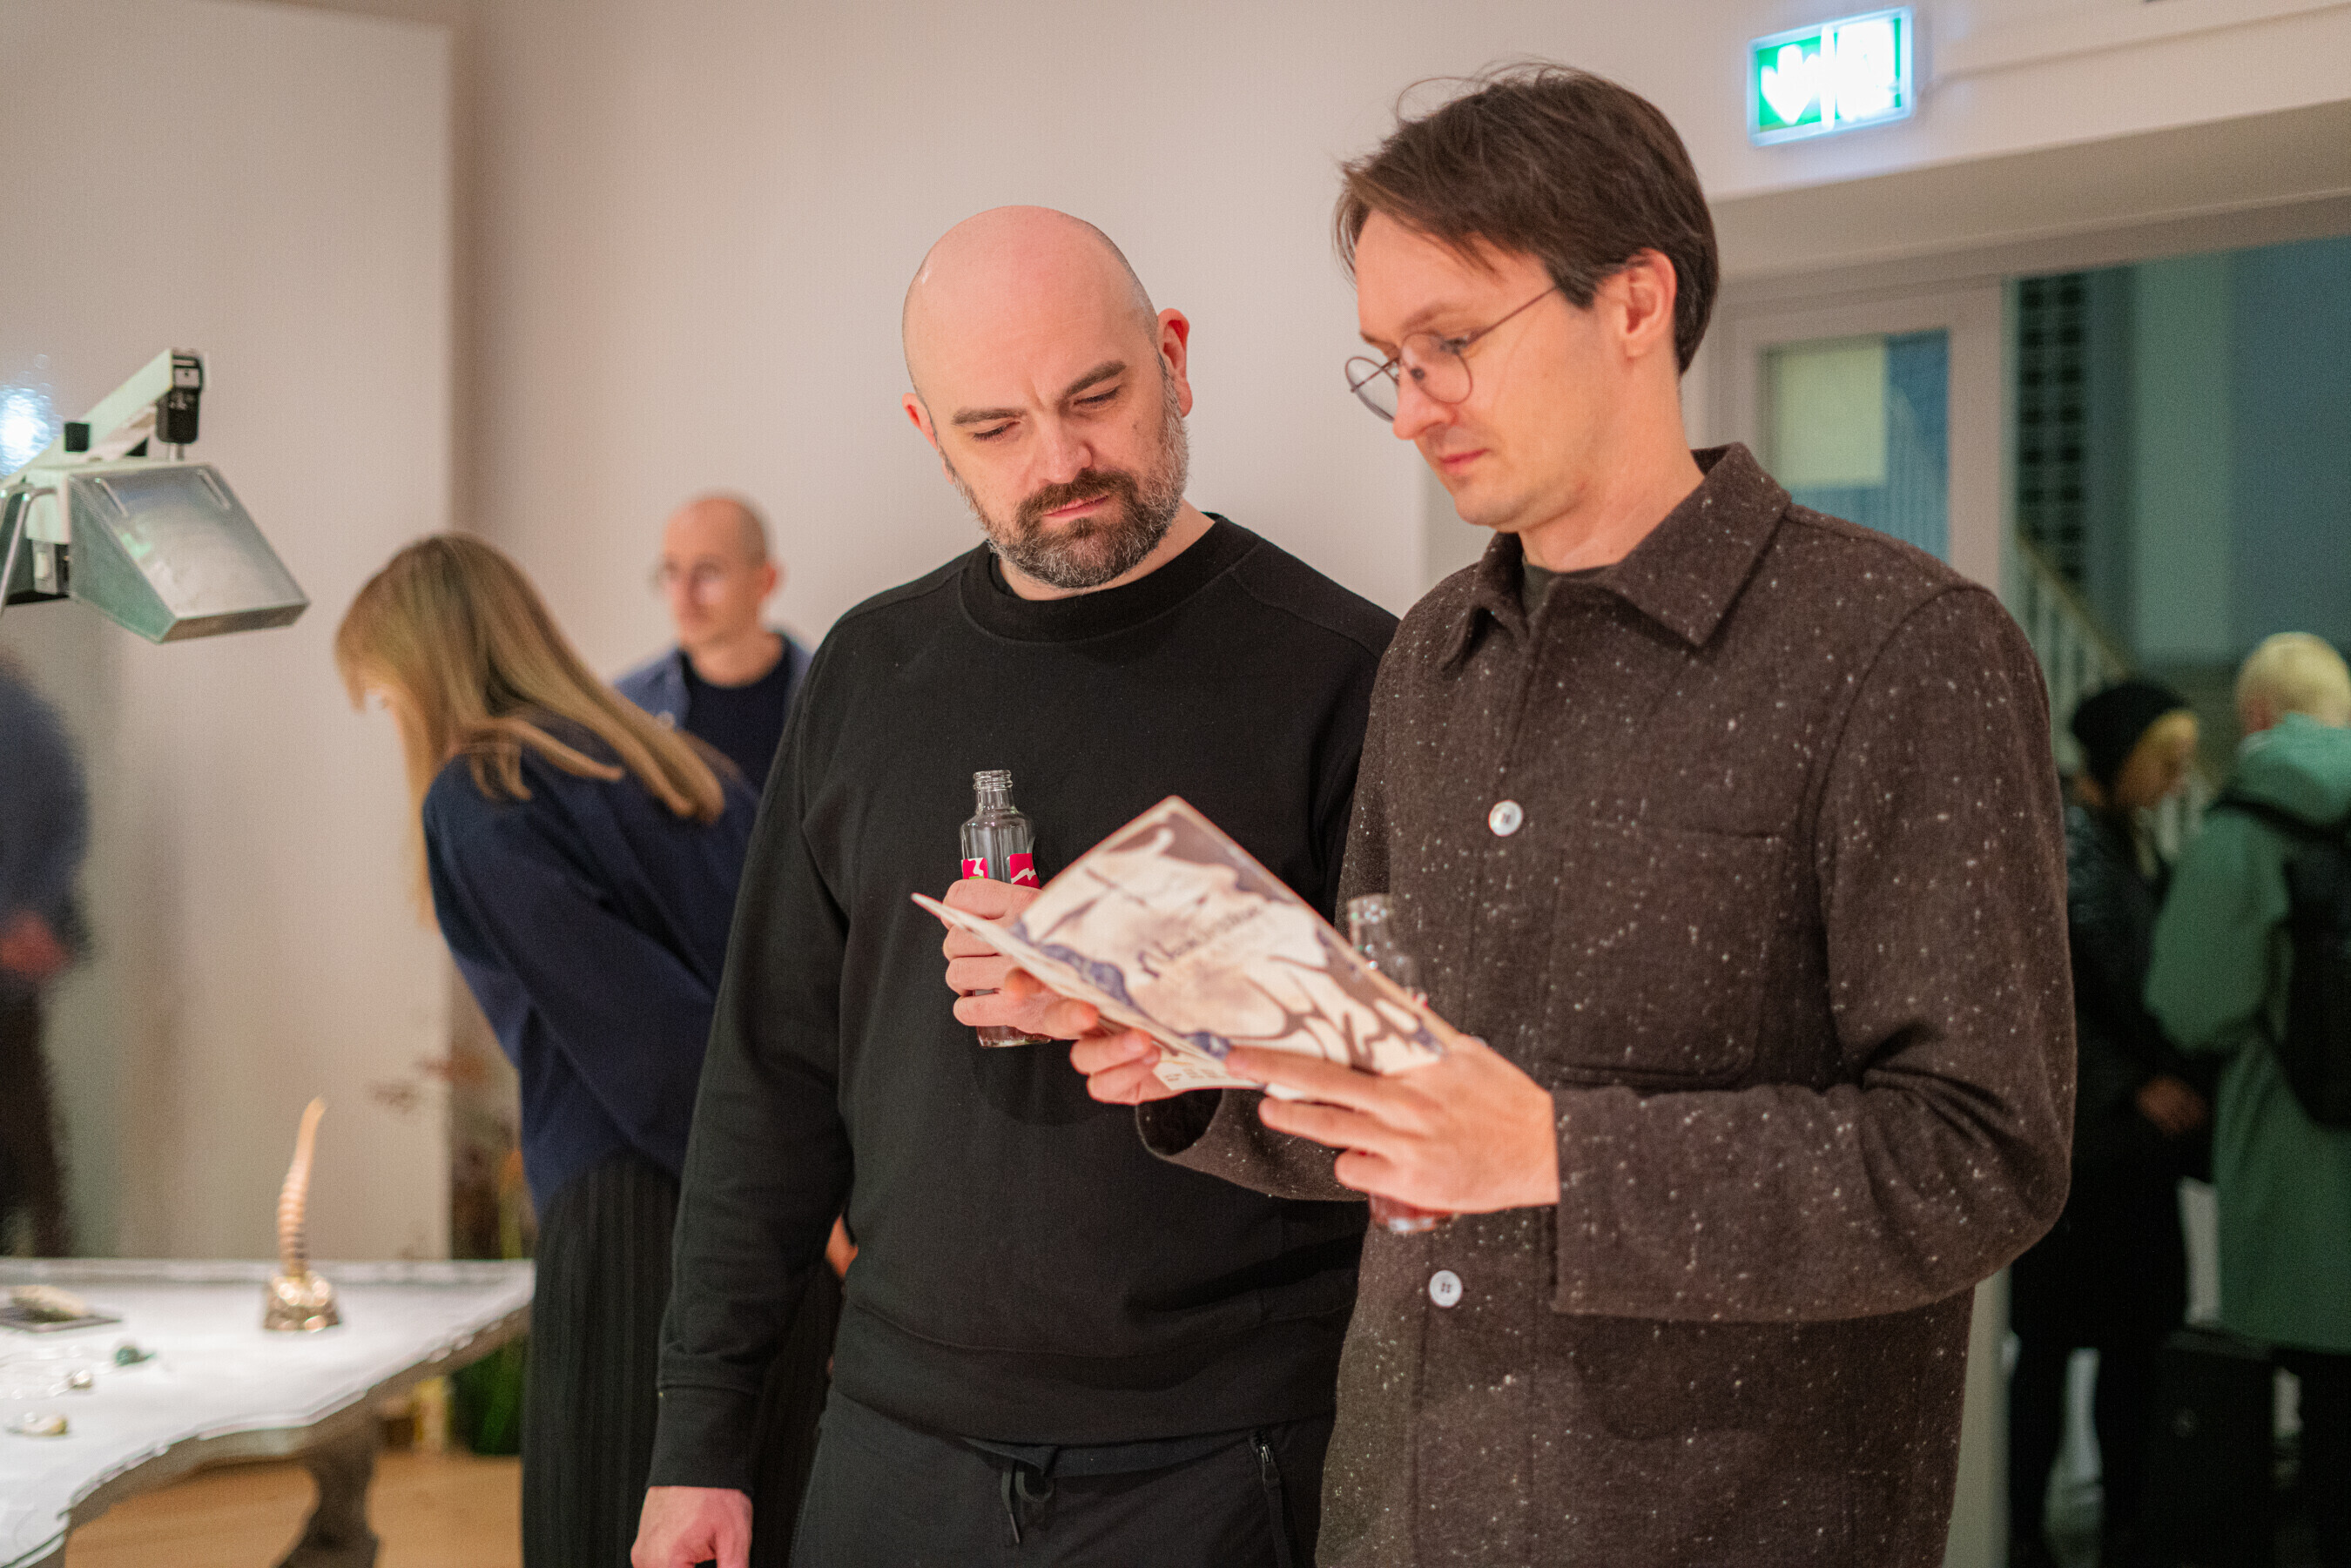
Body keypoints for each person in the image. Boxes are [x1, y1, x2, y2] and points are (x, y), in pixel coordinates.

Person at [1063, 66, 2073, 1565]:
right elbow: (1399, 1095)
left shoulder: (1899, 648)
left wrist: (1557, 1154)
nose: (1412, 408)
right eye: (1389, 362)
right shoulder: (1431, 657)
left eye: (1452, 343)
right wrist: (1193, 1054)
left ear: (1635, 302)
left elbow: (1978, 1159)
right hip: (1404, 1511)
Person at [633, 207, 1396, 1568]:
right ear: (930, 434)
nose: (1060, 462)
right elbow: (767, 1084)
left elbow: (1405, 1094)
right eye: (994, 427)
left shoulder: (1348, 669)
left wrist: (1153, 977)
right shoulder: (866, 674)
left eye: (1095, 397)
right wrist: (703, 1434)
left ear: (1173, 360)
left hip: (1227, 1455)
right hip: (896, 1443)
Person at [337, 536, 832, 1568]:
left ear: (422, 679)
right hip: (776, 1215)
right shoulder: (684, 769)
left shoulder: (480, 797)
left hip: (637, 1216)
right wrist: (809, 1196)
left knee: (614, 1534)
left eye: (386, 699)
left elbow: (651, 1044)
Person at [2149, 632, 2351, 1568]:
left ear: (2258, 714)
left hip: (2296, 1157)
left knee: (2327, 1405)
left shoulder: (2245, 826)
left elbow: (2191, 1002)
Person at [2009, 681, 2208, 1568]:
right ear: (2122, 755)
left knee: (2121, 1347)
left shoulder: (2121, 838)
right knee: (2061, 1348)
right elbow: (2053, 997)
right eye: (2167, 760)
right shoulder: (2070, 841)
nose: (2178, 779)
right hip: (2089, 1150)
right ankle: (2031, 1532)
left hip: (2115, 1145)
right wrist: (2134, 1084)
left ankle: (2104, 1526)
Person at [616, 495, 810, 793]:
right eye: (672, 573)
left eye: (708, 572)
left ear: (765, 580)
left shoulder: (831, 695)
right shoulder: (628, 709)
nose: (684, 597)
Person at [0, 653, 84, 1257]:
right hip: (18, 952)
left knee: (24, 1108)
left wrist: (26, 918)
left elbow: (66, 816)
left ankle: (51, 1245)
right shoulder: (26, 714)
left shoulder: (22, 717)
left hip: (16, 965)